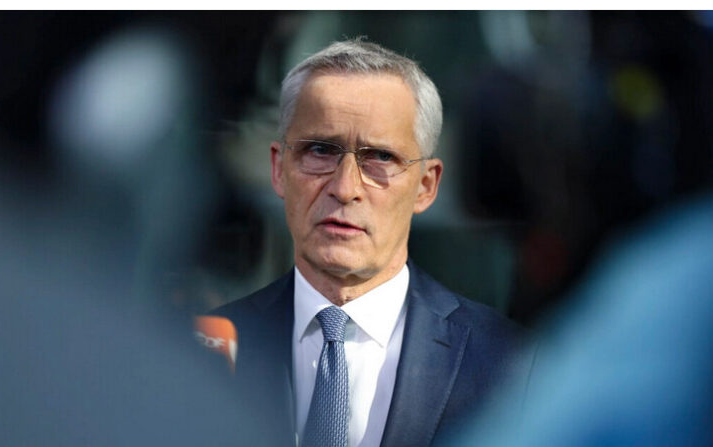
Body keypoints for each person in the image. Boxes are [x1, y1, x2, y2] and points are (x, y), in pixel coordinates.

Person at [210, 38, 534, 447]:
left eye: (380, 158)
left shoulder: (512, 366)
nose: (345, 189)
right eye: (321, 151)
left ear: (426, 185)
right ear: (279, 169)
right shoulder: (195, 351)